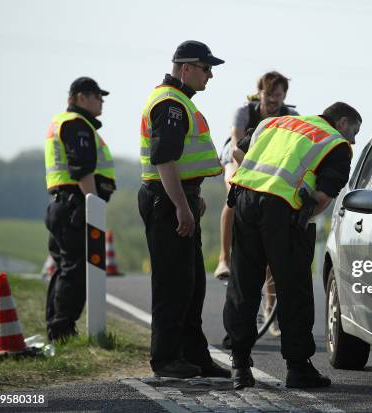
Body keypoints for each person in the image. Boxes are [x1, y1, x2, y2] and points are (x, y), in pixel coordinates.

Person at [223, 102, 361, 389]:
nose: (354, 140)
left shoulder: (275, 123)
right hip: (284, 210)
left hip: (245, 200)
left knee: (243, 283)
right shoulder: (335, 144)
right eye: (354, 132)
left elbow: (238, 153)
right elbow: (323, 197)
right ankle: (298, 369)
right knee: (293, 288)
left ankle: (239, 365)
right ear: (342, 122)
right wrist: (299, 217)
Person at [137, 40, 230, 379]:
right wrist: (181, 205)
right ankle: (166, 360)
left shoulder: (178, 101)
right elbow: (163, 160)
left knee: (191, 285)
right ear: (186, 67)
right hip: (167, 200)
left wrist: (192, 195)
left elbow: (180, 161)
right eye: (207, 69)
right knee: (173, 284)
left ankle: (194, 356)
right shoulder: (170, 104)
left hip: (178, 196)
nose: (210, 76)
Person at [217, 71, 298, 340]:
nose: (273, 100)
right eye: (268, 94)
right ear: (259, 93)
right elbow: (239, 148)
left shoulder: (290, 116)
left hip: (270, 168)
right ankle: (223, 258)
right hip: (239, 157)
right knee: (235, 192)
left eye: (279, 95)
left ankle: (270, 308)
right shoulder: (244, 112)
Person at [44, 77, 116, 341]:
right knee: (76, 271)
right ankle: (62, 330)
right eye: (97, 96)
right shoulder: (76, 125)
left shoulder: (65, 123)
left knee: (65, 268)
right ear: (80, 97)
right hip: (76, 204)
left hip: (63, 204)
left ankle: (57, 328)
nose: (102, 102)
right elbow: (82, 169)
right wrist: (94, 205)